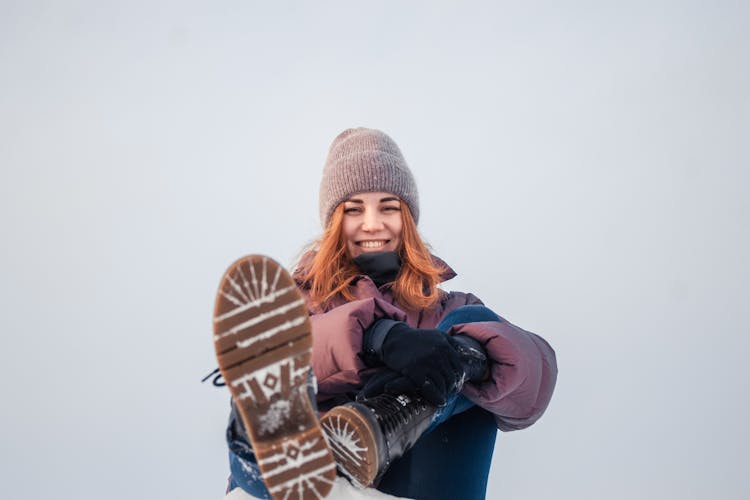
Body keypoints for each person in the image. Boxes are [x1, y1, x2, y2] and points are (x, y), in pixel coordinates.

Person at [211, 128, 557, 500]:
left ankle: (383, 426)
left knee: (475, 329)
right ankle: (328, 471)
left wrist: (465, 362)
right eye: (354, 210)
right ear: (334, 223)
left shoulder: (448, 309)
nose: (372, 223)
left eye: (388, 207)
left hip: (415, 484)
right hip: (305, 477)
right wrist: (377, 336)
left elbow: (535, 381)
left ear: (406, 218)